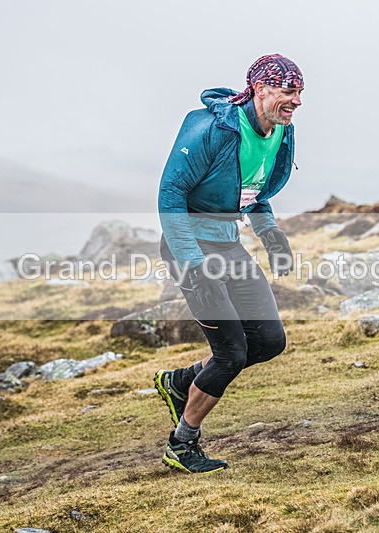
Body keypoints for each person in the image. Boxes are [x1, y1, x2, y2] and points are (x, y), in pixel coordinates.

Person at [153, 54, 304, 473]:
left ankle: (181, 382)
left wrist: (270, 233)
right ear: (260, 89)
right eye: (287, 91)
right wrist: (192, 262)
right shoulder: (213, 131)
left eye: (299, 93)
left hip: (228, 245)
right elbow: (170, 195)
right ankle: (182, 444)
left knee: (269, 341)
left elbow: (253, 191)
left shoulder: (279, 132)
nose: (296, 101)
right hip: (191, 250)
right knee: (231, 352)